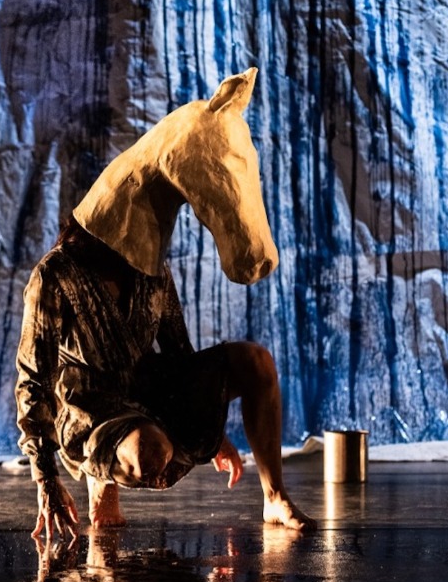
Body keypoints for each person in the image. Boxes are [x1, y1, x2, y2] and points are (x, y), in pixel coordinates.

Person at [16, 214, 316, 540]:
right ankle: (101, 477)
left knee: (256, 361)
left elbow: (180, 356)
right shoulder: (55, 273)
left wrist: (212, 428)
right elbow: (33, 380)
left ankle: (274, 497)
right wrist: (46, 479)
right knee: (148, 451)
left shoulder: (150, 266)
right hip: (91, 414)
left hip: (150, 394)